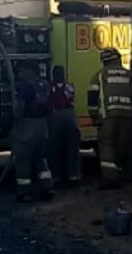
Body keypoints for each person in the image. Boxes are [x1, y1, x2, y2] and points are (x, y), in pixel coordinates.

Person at [88, 48, 132, 189]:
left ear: (104, 61)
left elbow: (92, 98)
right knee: (122, 146)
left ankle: (110, 179)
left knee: (107, 147)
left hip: (108, 116)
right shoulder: (130, 75)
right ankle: (124, 175)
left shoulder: (99, 75)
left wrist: (94, 116)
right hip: (128, 117)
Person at [13, 65, 55, 202]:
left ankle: (24, 192)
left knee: (23, 159)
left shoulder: (25, 86)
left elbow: (21, 107)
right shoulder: (44, 84)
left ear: (30, 71)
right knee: (40, 158)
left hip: (28, 125)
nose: (20, 74)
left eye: (22, 71)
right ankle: (48, 188)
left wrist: (15, 123)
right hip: (42, 126)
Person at [48, 65, 81, 186]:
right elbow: (71, 98)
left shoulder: (50, 87)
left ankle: (57, 176)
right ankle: (73, 175)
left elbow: (48, 102)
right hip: (70, 117)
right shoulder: (70, 86)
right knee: (72, 148)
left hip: (56, 116)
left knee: (55, 148)